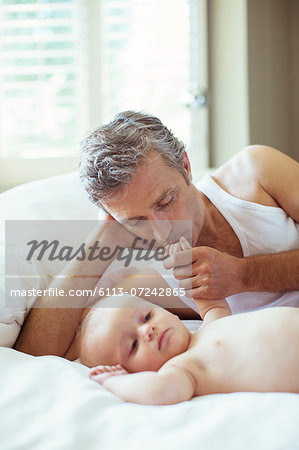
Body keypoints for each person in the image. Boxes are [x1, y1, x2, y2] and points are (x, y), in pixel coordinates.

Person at [14, 110, 299, 357]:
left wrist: (243, 274)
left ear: (185, 166)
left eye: (165, 201)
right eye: (137, 220)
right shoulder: (152, 276)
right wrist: (104, 237)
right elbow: (35, 353)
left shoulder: (256, 173)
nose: (162, 232)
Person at [79, 295, 299, 405]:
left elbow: (214, 304)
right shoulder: (182, 368)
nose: (148, 330)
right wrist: (114, 381)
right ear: (131, 372)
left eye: (147, 316)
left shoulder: (210, 324)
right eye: (133, 345)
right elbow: (160, 391)